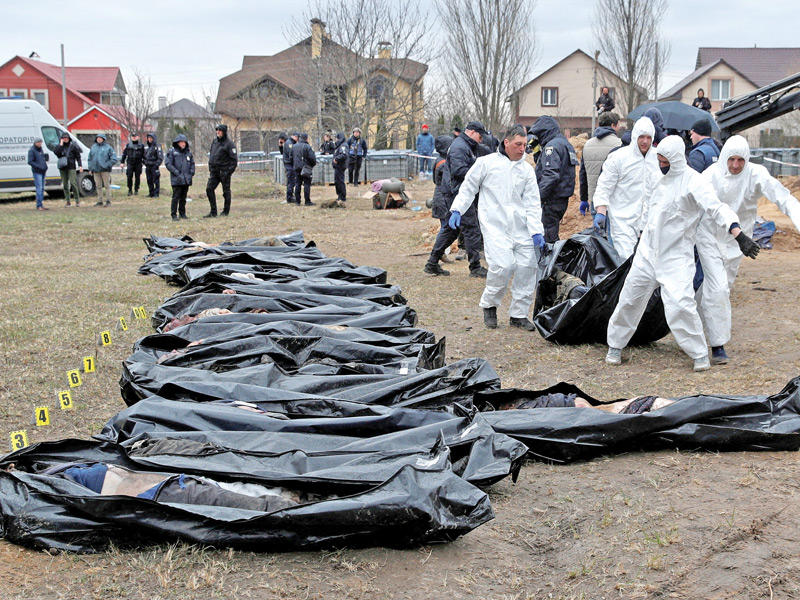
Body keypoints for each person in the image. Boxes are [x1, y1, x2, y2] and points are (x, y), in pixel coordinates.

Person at [605, 135, 760, 371]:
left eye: (664, 160)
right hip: (647, 253)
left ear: (676, 160)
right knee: (629, 299)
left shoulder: (693, 182)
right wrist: (639, 235)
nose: (661, 164)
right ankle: (615, 345)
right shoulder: (656, 176)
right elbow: (648, 208)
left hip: (675, 257)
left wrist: (737, 233)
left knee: (680, 305)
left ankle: (698, 354)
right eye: (659, 159)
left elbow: (716, 208)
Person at [696, 135, 800, 365]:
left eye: (740, 160)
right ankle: (718, 345)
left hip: (739, 242)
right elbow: (698, 203)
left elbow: (783, 198)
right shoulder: (710, 175)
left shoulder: (756, 174)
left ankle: (692, 320)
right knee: (718, 287)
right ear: (724, 158)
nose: (735, 165)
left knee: (720, 288)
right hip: (710, 235)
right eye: (731, 159)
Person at [448, 124, 545, 330]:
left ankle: (518, 314)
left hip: (522, 228)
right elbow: (468, 187)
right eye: (518, 144)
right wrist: (457, 209)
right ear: (507, 142)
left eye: (525, 145)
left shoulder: (526, 170)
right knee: (503, 266)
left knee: (528, 267)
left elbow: (532, 202)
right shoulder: (486, 163)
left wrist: (537, 231)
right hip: (495, 227)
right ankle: (490, 305)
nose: (522, 149)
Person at [424, 121, 488, 277]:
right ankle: (475, 267)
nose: (481, 140)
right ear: (472, 132)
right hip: (457, 193)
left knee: (451, 230)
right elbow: (460, 170)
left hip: (455, 192)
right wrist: (479, 172)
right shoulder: (460, 147)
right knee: (471, 229)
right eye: (480, 136)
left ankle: (432, 263)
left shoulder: (465, 146)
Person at [592, 117, 660, 259]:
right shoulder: (619, 158)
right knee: (626, 261)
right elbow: (605, 185)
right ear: (635, 136)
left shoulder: (658, 159)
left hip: (650, 221)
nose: (645, 141)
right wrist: (601, 210)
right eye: (641, 137)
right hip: (623, 220)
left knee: (647, 264)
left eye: (648, 137)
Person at [528, 116, 577, 243]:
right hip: (560, 198)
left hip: (551, 199)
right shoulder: (565, 143)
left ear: (544, 132)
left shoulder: (552, 147)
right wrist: (537, 151)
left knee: (548, 237)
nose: (537, 138)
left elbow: (551, 175)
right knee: (551, 233)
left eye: (538, 135)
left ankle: (551, 262)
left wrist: (537, 197)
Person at [578, 112, 623, 216]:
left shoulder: (587, 145)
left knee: (598, 230)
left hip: (595, 200)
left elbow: (583, 174)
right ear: (613, 125)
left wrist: (584, 198)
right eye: (618, 125)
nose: (619, 127)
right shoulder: (619, 144)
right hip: (615, 200)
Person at [204, 124, 238, 218]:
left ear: (224, 132)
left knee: (226, 192)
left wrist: (228, 172)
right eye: (217, 130)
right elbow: (212, 155)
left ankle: (226, 211)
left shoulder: (229, 144)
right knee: (209, 189)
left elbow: (234, 161)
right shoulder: (214, 142)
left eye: (220, 130)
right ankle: (213, 212)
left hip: (224, 172)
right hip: (214, 172)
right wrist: (211, 168)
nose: (218, 132)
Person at [164, 134, 195, 221]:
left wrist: (191, 172)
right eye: (181, 142)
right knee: (176, 197)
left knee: (183, 197)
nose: (183, 144)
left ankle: (182, 213)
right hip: (176, 179)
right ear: (177, 143)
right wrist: (176, 172)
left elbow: (192, 163)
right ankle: (174, 214)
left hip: (186, 179)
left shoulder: (188, 153)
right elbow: (168, 164)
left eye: (184, 142)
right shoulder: (172, 152)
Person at [87, 133, 118, 207]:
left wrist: (106, 165)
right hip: (95, 170)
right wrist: (90, 168)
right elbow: (90, 159)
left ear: (103, 139)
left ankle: (108, 201)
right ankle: (100, 201)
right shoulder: (93, 147)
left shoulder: (108, 148)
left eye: (100, 138)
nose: (99, 139)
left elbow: (114, 159)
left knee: (107, 185)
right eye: (98, 138)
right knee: (98, 186)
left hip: (105, 170)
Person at [53, 132, 82, 207]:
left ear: (69, 138)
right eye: (64, 138)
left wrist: (80, 165)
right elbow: (56, 153)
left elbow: (78, 156)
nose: (65, 139)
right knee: (65, 185)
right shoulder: (59, 146)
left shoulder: (73, 146)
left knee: (73, 183)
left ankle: (77, 200)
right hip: (62, 167)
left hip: (71, 167)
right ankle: (68, 201)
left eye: (66, 138)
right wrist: (61, 144)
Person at [292, 133, 316, 206]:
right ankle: (307, 201)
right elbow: (312, 158)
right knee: (307, 184)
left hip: (296, 168)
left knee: (297, 184)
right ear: (306, 138)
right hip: (305, 168)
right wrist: (311, 165)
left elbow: (291, 157)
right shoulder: (307, 146)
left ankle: (297, 201)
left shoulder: (294, 146)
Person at [26, 137, 49, 210]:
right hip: (37, 172)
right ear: (35, 143)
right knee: (39, 188)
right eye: (38, 142)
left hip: (43, 171)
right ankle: (39, 205)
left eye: (41, 142)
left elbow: (43, 159)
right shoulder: (32, 150)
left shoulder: (41, 150)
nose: (40, 144)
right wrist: (38, 166)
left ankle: (41, 204)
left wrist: (45, 166)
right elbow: (30, 161)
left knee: (42, 189)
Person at [144, 133, 163, 198]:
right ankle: (151, 193)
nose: (149, 139)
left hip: (154, 166)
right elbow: (145, 156)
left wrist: (156, 165)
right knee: (149, 180)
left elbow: (160, 157)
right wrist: (144, 162)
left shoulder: (157, 146)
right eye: (148, 138)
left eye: (151, 138)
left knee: (156, 180)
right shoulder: (147, 147)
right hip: (148, 166)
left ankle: (156, 193)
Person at [332, 132, 348, 204]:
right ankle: (339, 195)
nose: (336, 140)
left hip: (340, 166)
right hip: (337, 166)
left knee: (340, 181)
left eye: (336, 138)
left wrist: (336, 159)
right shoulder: (339, 146)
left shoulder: (343, 146)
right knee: (337, 181)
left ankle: (342, 196)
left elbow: (344, 155)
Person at [282, 133, 298, 204]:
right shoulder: (289, 144)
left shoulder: (290, 142)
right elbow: (291, 155)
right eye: (297, 137)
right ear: (294, 136)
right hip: (289, 165)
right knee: (291, 182)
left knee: (291, 182)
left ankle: (291, 196)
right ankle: (289, 198)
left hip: (289, 165)